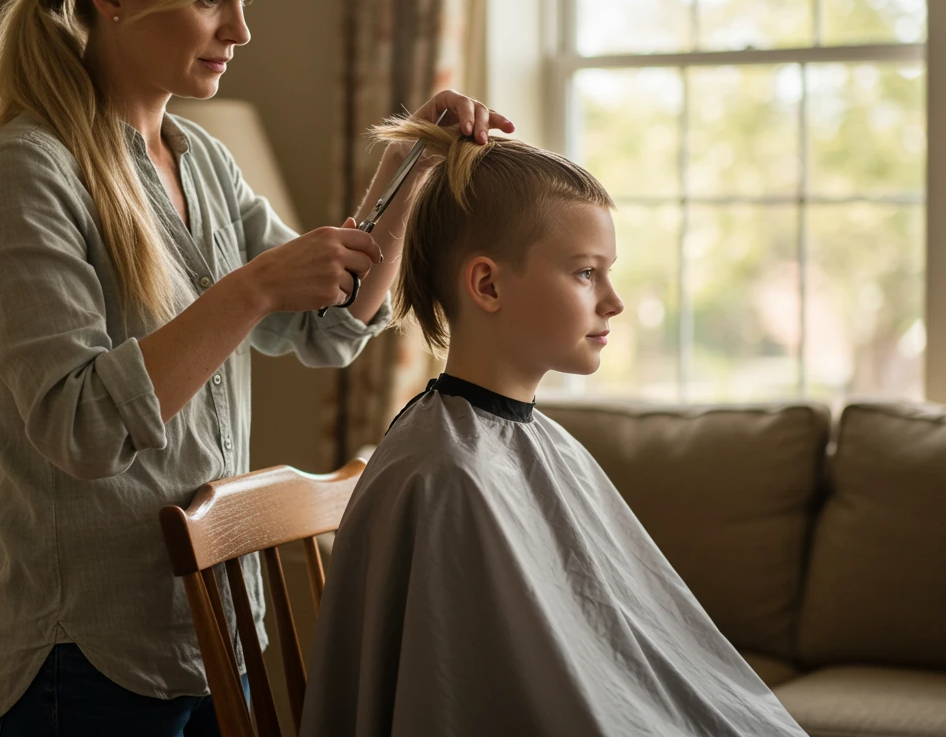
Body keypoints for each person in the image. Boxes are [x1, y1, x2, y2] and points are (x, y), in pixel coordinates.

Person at [0, 0, 512, 735]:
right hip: (80, 659)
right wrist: (246, 293)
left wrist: (406, 172)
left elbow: (326, 327)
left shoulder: (201, 161)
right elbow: (79, 429)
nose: (240, 31)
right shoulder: (26, 169)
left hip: (206, 642)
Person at [300, 117, 808, 737]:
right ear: (487, 284)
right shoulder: (446, 475)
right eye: (586, 272)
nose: (614, 301)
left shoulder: (532, 443)